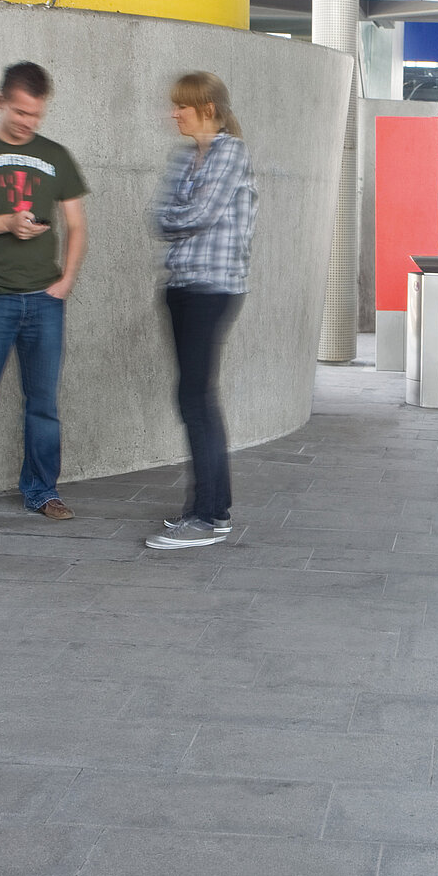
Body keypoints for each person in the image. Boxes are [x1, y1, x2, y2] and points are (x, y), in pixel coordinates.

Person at [0, 60, 90, 525]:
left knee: (44, 404)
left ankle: (42, 490)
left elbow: (76, 224)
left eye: (37, 115)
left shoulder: (56, 154)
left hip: (44, 299)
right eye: (22, 112)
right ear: (3, 102)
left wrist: (66, 281)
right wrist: (6, 223)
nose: (29, 122)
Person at [146, 71, 256, 551]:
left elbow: (196, 214)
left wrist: (178, 218)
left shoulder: (231, 152)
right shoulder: (184, 156)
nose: (174, 114)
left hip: (213, 289)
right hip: (181, 286)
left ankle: (209, 516)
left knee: (196, 398)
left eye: (182, 106)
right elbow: (159, 217)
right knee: (192, 397)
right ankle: (209, 508)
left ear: (207, 109)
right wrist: (179, 218)